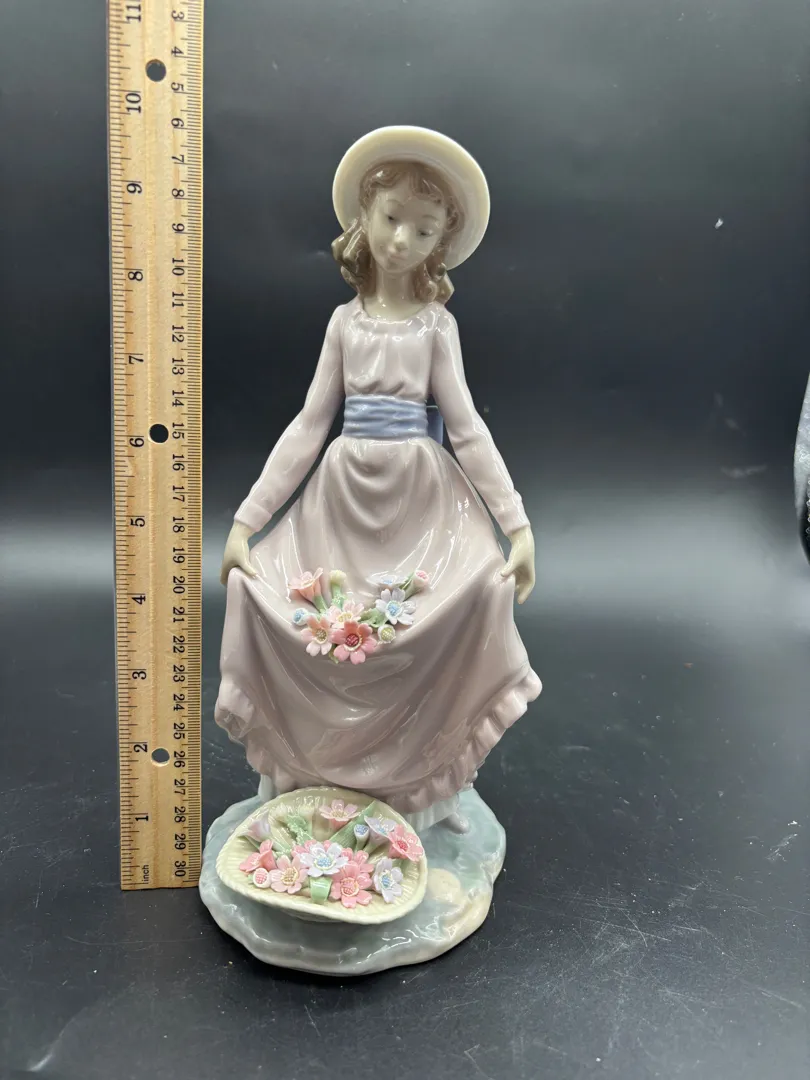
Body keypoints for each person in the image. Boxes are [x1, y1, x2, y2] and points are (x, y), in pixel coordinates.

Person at [216, 126, 541, 832]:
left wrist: (515, 526)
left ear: (440, 243)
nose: (401, 240)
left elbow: (467, 428)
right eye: (391, 217)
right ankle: (304, 775)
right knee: (282, 602)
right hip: (340, 502)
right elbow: (310, 424)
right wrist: (247, 521)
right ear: (364, 216)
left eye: (422, 230)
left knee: (461, 601)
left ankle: (425, 790)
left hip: (420, 505)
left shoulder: (436, 328)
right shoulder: (344, 324)